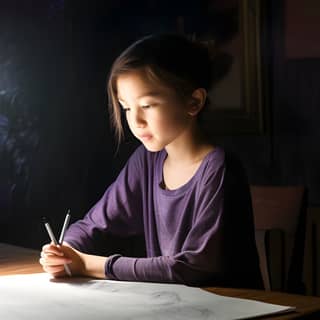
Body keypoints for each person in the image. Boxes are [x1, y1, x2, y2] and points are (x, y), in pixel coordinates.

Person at [39, 33, 263, 288]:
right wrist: (66, 250)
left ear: (194, 101)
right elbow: (94, 225)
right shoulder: (146, 161)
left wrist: (88, 265)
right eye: (126, 108)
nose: (135, 121)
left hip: (235, 310)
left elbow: (193, 268)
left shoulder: (218, 168)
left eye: (147, 105)